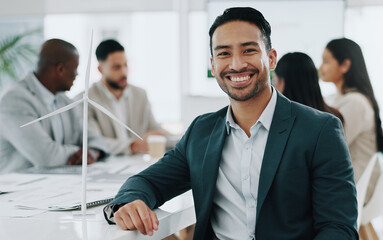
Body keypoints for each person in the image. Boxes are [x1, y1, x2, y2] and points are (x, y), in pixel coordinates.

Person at [104, 7, 358, 239]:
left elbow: (339, 228)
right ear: (213, 66)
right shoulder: (201, 132)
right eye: (224, 53)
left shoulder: (320, 130)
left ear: (270, 59)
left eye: (248, 50)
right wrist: (129, 202)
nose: (236, 64)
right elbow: (147, 182)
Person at [0, 39, 108, 173]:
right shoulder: (15, 100)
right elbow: (45, 155)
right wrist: (81, 153)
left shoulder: (64, 100)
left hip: (57, 184)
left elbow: (95, 139)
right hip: (20, 188)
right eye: (75, 69)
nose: (77, 75)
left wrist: (92, 151)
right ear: (60, 69)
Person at [319, 38, 383, 204]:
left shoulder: (354, 102)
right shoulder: (343, 99)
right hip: (355, 181)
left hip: (357, 184)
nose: (320, 68)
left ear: (345, 65)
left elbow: (332, 146)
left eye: (326, 61)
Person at [84, 39, 167, 155]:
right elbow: (95, 141)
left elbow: (156, 130)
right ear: (100, 69)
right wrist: (133, 146)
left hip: (140, 163)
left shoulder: (140, 94)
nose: (124, 72)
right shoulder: (87, 100)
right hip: (109, 166)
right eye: (116, 67)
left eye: (125, 65)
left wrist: (185, 138)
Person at [273, 52, 343, 122]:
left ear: (282, 82)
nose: (273, 88)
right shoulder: (335, 116)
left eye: (274, 82)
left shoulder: (276, 121)